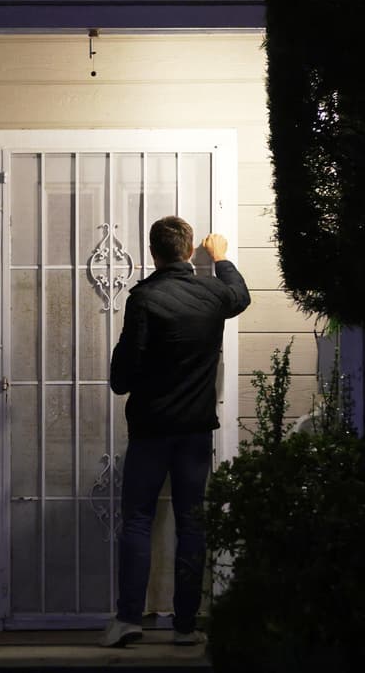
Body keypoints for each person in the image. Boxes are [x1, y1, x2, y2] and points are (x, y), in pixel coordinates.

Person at [100, 216, 250, 647]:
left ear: (153, 253)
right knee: (191, 523)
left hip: (150, 430)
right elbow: (240, 296)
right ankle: (185, 626)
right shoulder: (213, 293)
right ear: (188, 250)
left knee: (138, 521)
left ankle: (129, 620)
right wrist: (220, 258)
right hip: (195, 431)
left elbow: (121, 379)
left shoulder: (145, 299)